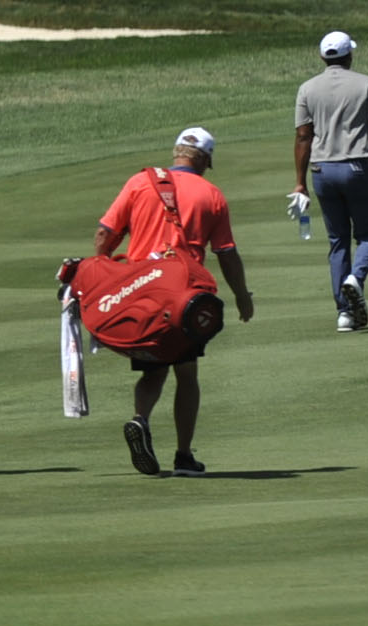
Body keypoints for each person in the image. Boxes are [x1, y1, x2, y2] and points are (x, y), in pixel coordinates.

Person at [94, 126, 254, 478]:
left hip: (141, 291)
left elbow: (106, 233)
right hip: (185, 295)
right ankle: (183, 455)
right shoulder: (211, 194)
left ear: (176, 152)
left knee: (153, 367)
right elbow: (226, 253)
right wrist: (243, 297)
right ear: (206, 160)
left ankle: (141, 419)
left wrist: (102, 272)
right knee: (186, 372)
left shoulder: (140, 182)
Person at [292, 29, 368, 330]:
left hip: (321, 172)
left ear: (322, 57)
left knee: (337, 241)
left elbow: (303, 136)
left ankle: (344, 313)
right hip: (357, 169)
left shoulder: (307, 88)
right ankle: (356, 279)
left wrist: (300, 182)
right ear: (349, 55)